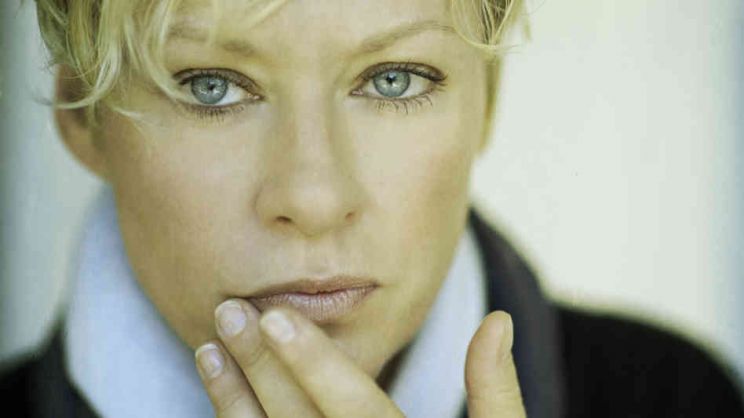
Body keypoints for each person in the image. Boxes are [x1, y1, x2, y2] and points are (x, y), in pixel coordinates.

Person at [1, 0, 743, 417]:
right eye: (211, 87)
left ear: (488, 100)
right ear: (82, 118)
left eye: (394, 80)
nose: (314, 200)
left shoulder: (679, 401)